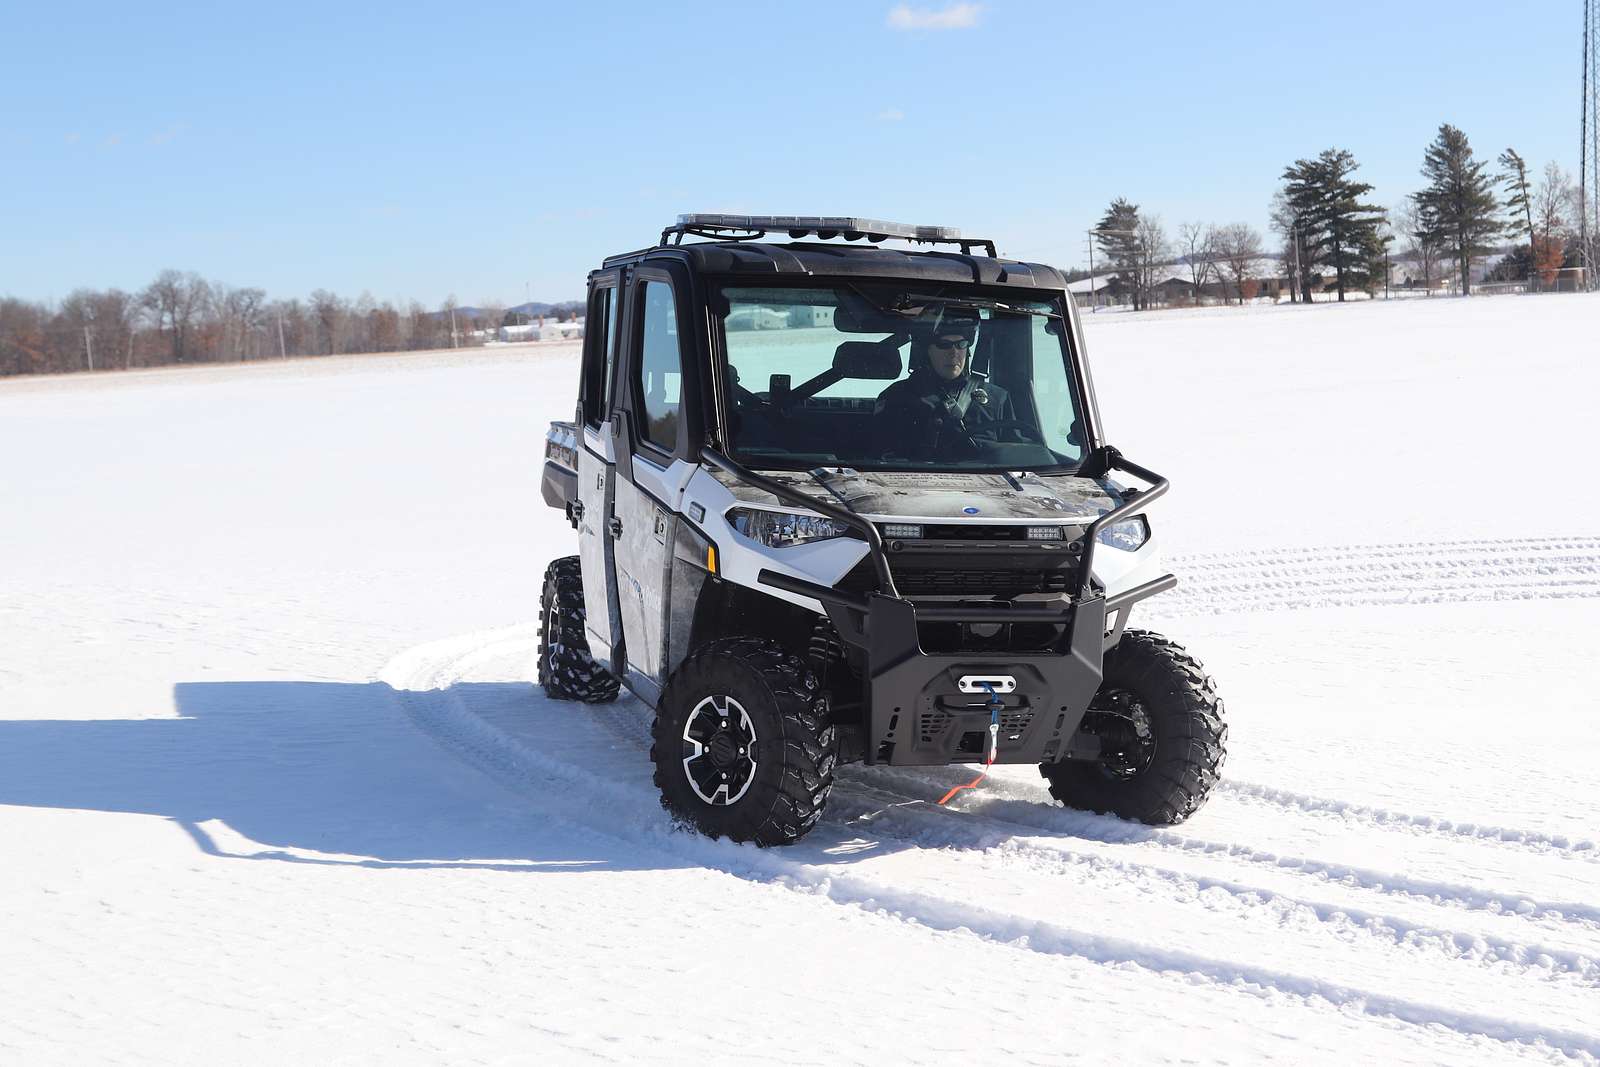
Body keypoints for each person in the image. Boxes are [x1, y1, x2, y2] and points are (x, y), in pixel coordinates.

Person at [872, 308, 1017, 458]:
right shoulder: (897, 397)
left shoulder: (997, 398)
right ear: (926, 350)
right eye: (944, 344)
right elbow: (879, 456)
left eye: (961, 344)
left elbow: (1019, 456)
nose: (954, 352)